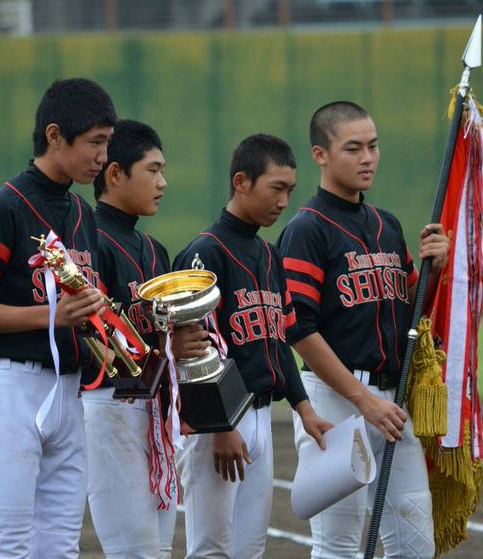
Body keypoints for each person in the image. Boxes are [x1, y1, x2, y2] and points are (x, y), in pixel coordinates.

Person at [277, 101, 451, 559]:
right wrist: (362, 400)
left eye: (373, 146)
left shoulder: (386, 225)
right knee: (338, 547)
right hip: (336, 403)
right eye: (353, 148)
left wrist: (435, 272)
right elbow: (300, 331)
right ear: (320, 154)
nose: (367, 158)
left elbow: (411, 314)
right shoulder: (306, 230)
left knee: (415, 546)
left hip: (391, 402)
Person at [0, 78, 115, 558]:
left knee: (60, 548)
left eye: (107, 142)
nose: (103, 157)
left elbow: (80, 310)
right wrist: (53, 315)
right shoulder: (1, 208)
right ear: (54, 135)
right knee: (7, 547)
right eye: (95, 142)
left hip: (70, 390)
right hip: (11, 389)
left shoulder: (83, 213)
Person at [173, 133, 332, 559]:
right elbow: (194, 351)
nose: (283, 201)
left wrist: (304, 408)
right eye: (275, 188)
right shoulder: (205, 253)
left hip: (261, 418)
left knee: (249, 549)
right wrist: (219, 426)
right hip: (220, 421)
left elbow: (279, 340)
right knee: (211, 549)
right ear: (241, 182)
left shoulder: (267, 253)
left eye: (290, 190)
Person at [83, 119, 207, 559]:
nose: (162, 182)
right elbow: (92, 339)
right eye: (152, 170)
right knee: (134, 551)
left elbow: (159, 336)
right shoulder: (90, 240)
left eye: (163, 170)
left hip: (153, 408)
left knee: (158, 549)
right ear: (115, 173)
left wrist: (181, 340)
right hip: (109, 404)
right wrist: (167, 348)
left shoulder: (153, 250)